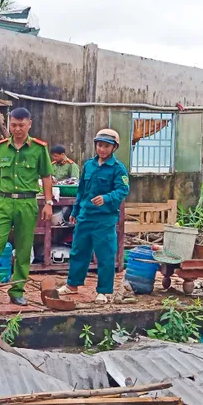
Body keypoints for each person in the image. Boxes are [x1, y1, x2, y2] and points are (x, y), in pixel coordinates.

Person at [0, 108, 53, 306]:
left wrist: (48, 203)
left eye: (21, 125)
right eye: (13, 125)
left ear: (29, 124)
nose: (17, 129)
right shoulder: (0, 148)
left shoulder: (39, 149)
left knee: (24, 250)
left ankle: (17, 290)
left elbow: (46, 176)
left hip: (27, 202)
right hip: (4, 202)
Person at [58, 129, 130, 304]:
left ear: (114, 148)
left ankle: (104, 291)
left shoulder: (118, 169)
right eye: (99, 145)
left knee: (105, 255)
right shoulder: (88, 165)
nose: (102, 149)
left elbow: (123, 189)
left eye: (106, 146)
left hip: (105, 219)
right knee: (78, 251)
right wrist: (75, 212)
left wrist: (106, 198)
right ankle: (72, 285)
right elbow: (81, 190)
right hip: (85, 216)